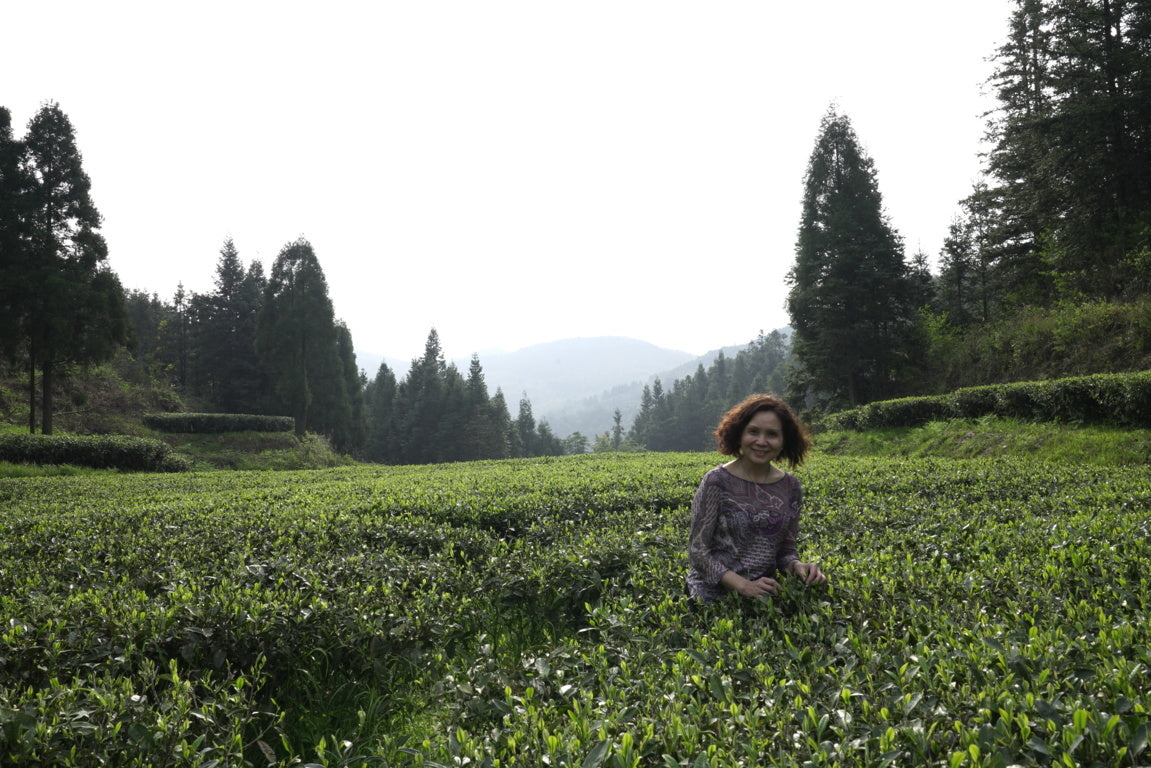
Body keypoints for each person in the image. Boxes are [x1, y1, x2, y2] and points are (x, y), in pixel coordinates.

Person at [686, 393, 827, 603]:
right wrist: (742, 585)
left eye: (772, 434)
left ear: (783, 440)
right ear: (739, 434)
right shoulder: (716, 481)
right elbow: (698, 551)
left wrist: (798, 566)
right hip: (711, 596)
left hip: (763, 594)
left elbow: (785, 551)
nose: (761, 441)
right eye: (753, 432)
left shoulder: (791, 487)